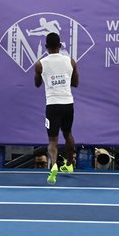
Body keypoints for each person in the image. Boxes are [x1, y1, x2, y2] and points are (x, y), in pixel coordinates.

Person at [34, 32, 79, 185]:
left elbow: (37, 84)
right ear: (60, 46)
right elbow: (76, 83)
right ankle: (69, 165)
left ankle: (53, 165)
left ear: (46, 47)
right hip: (68, 104)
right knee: (68, 134)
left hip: (52, 105)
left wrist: (44, 76)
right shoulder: (70, 61)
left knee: (53, 140)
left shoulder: (40, 63)